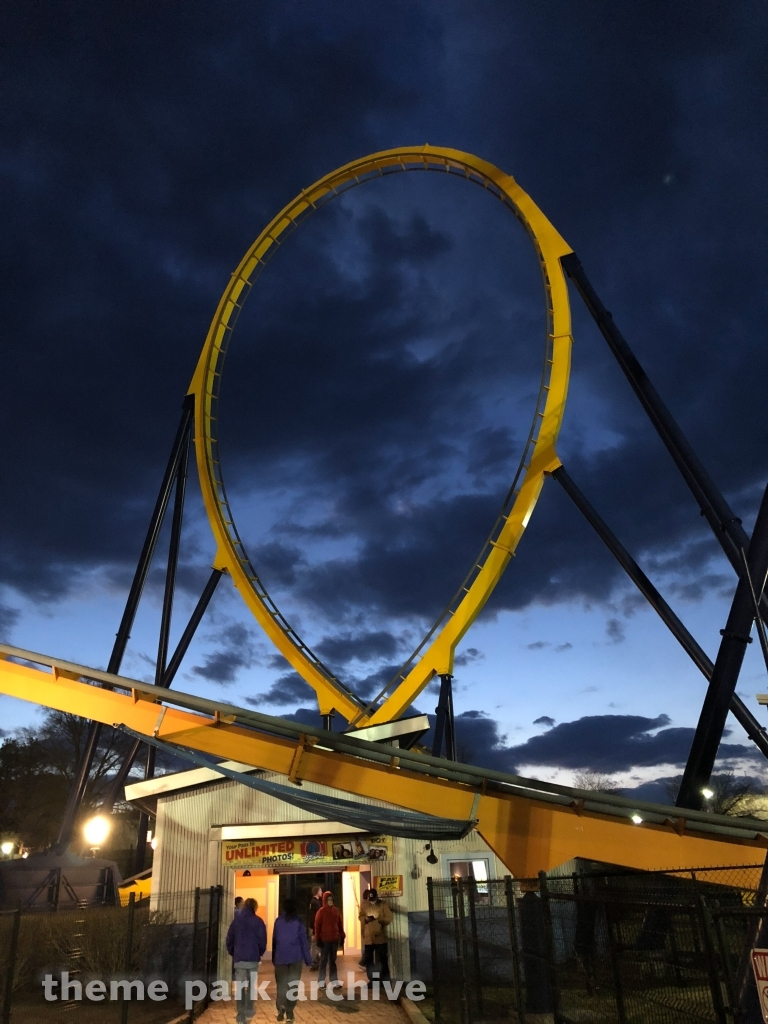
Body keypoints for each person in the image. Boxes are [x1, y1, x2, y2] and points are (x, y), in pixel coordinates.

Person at [226, 897, 267, 1024]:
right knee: (251, 986)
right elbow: (262, 941)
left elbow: (229, 940)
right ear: (254, 907)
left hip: (239, 958)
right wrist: (259, 953)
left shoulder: (236, 921)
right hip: (253, 959)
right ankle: (249, 1009)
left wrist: (234, 953)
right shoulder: (258, 921)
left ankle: (240, 1014)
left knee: (240, 986)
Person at [272, 897, 311, 1022]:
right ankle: (290, 1011)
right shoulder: (298, 922)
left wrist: (274, 957)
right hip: (295, 957)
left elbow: (274, 941)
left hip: (280, 958)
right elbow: (303, 941)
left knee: (282, 984)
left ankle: (281, 1005)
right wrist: (308, 959)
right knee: (293, 985)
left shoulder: (278, 921)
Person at [359, 888, 392, 985]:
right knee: (369, 960)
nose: (372, 901)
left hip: (380, 937)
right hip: (369, 938)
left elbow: (389, 918)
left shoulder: (383, 904)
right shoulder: (364, 905)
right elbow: (360, 916)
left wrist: (379, 920)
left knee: (382, 959)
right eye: (370, 899)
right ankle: (372, 980)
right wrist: (365, 919)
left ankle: (385, 980)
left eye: (373, 899)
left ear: (376, 897)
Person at [314, 891, 345, 988]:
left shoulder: (336, 911)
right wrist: (318, 938)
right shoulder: (321, 912)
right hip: (324, 940)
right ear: (325, 900)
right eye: (328, 900)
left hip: (334, 939)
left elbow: (339, 924)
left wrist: (342, 935)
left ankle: (334, 980)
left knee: (333, 961)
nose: (330, 901)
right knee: (323, 961)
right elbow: (317, 926)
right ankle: (321, 981)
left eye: (331, 900)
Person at [306, 884, 323, 970]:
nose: (321, 892)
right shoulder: (315, 903)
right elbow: (315, 917)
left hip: (313, 927)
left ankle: (316, 960)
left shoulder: (313, 902)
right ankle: (314, 961)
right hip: (314, 928)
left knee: (315, 944)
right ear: (317, 892)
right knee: (314, 944)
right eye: (320, 890)